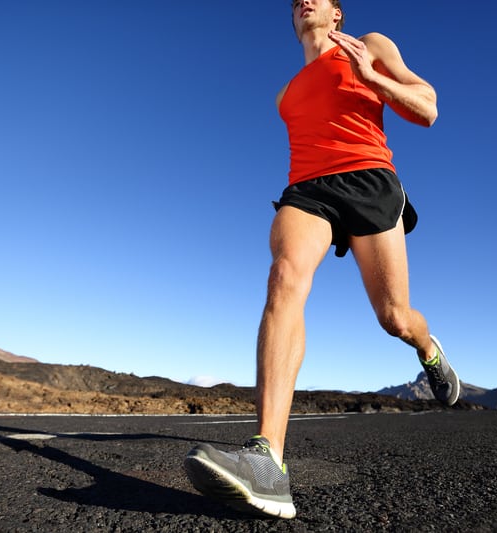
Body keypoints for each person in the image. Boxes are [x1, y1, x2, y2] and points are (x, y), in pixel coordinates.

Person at [184, 0, 460, 519]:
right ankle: (268, 461)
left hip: (371, 180)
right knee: (284, 277)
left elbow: (427, 108)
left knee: (394, 317)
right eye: (295, 2)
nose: (303, 2)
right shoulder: (286, 94)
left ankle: (428, 348)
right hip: (308, 190)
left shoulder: (371, 45)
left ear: (338, 14)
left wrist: (372, 78)